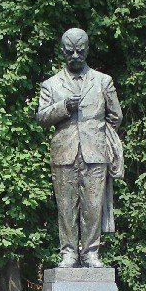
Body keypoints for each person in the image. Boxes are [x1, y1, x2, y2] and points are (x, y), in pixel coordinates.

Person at [36, 28, 124, 268]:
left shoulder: (103, 81)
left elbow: (115, 116)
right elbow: (42, 117)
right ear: (63, 51)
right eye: (70, 51)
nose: (75, 55)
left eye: (80, 50)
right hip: (64, 153)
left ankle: (91, 252)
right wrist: (63, 106)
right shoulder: (51, 84)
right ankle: (69, 253)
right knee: (66, 207)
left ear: (87, 50)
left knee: (93, 207)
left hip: (96, 153)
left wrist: (95, 133)